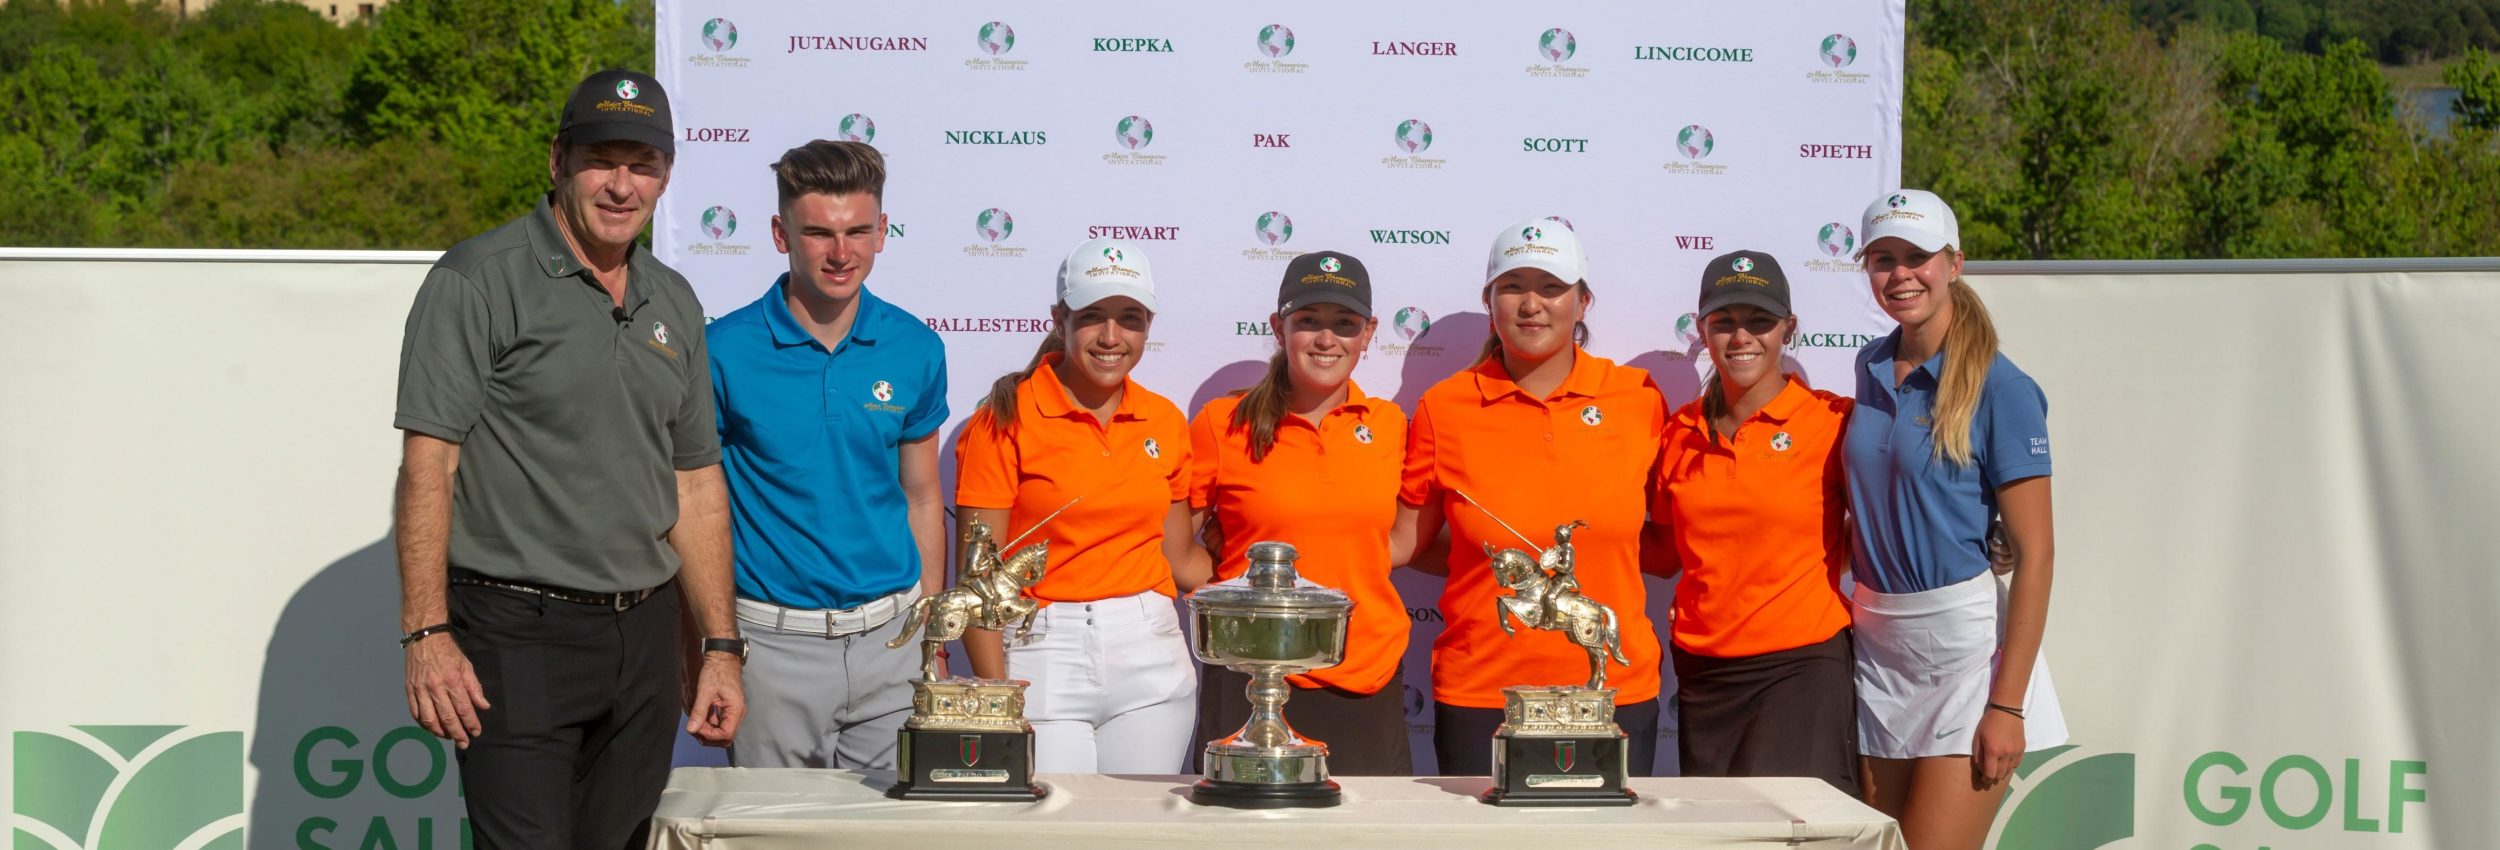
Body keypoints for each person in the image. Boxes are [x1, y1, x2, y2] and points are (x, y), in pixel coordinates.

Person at [392, 69, 743, 848]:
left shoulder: (674, 300)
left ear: (666, 175)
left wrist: (717, 647)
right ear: (558, 160)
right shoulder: (478, 278)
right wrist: (426, 635)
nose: (621, 185)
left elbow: (694, 484)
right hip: (516, 632)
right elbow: (430, 465)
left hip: (646, 638)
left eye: (642, 164)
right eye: (601, 160)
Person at [1395, 220, 1668, 776]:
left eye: (1551, 287)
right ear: (1489, 301)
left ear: (1583, 301)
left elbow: (1670, 535)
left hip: (1610, 693)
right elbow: (1408, 543)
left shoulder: (1636, 398)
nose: (1531, 304)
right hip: (1482, 693)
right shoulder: (1443, 407)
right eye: (1513, 286)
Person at [706, 140, 946, 769]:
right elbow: (695, 506)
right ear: (781, 234)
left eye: (857, 231)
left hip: (894, 644)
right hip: (769, 648)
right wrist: (712, 645)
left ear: (883, 232)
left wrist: (931, 634)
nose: (842, 253)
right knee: (776, 838)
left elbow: (922, 494)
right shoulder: (721, 350)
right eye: (819, 233)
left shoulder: (916, 347)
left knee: (890, 837)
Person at [1846, 189, 2067, 849]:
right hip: (1879, 645)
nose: (1899, 274)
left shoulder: (2003, 388)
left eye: (1917, 256)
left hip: (1966, 657)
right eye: (1883, 258)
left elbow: (2037, 555)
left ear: (1954, 263)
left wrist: (2006, 705)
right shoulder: (1869, 365)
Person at [953, 238, 1203, 773]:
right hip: (1042, 651)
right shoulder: (1003, 418)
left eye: (1129, 318)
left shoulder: (1164, 421)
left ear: (1148, 325)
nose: (1111, 338)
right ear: (1059, 319)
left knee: (1141, 826)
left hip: (1151, 652)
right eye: (1092, 317)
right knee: (1058, 825)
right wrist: (995, 696)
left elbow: (1182, 561)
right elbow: (979, 581)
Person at [1184, 251, 1413, 776]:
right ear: (1278, 327)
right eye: (1308, 321)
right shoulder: (1223, 423)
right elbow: (1179, 553)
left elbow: (1399, 543)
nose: (1326, 339)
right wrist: (1231, 577)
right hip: (1249, 669)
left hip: (1363, 671)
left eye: (1344, 324)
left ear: (1369, 332)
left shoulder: (1391, 426)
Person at [1649, 250, 1859, 794]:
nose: (1741, 337)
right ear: (1701, 330)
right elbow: (1664, 551)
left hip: (1801, 669)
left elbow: (1900, 508)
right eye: (1724, 322)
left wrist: (1990, 537)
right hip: (1703, 674)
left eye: (1760, 321)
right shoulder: (1678, 432)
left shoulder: (1832, 422)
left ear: (1788, 329)